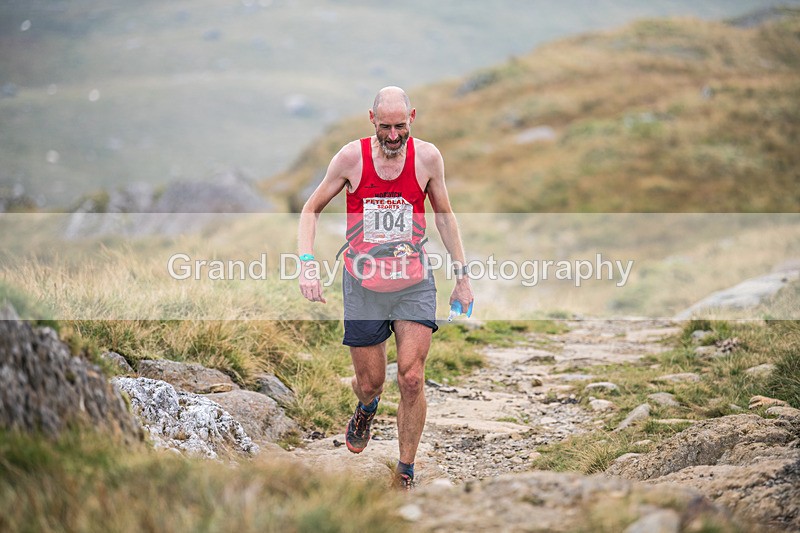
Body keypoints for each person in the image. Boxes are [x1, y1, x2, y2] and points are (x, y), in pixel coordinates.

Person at [297, 86, 473, 489]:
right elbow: (310, 209)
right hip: (362, 284)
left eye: (400, 127)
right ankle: (366, 406)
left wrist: (462, 276)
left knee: (411, 377)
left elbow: (444, 216)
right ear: (371, 120)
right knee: (370, 381)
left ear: (412, 117)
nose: (393, 136)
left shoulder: (427, 158)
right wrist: (307, 265)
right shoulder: (350, 158)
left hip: (413, 281)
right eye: (385, 127)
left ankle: (405, 470)